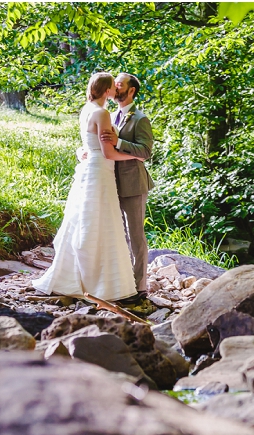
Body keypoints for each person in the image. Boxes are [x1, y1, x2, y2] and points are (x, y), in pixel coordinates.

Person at [32, 72, 142, 302]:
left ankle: (83, 279)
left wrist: (85, 151)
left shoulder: (87, 109)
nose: (116, 89)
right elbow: (108, 152)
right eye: (113, 86)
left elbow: (89, 143)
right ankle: (101, 284)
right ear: (107, 90)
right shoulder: (102, 113)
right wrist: (135, 158)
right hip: (100, 171)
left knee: (88, 221)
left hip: (92, 169)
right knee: (102, 223)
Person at [100, 73, 155, 300]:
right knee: (118, 235)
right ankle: (122, 283)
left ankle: (140, 287)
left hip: (134, 185)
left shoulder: (140, 119)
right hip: (112, 183)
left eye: (119, 85)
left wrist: (119, 142)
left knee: (136, 236)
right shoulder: (110, 116)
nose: (115, 88)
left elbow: (146, 152)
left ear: (131, 90)